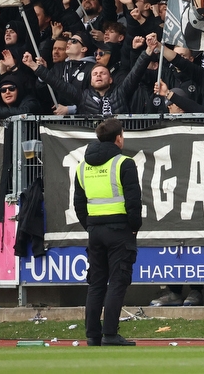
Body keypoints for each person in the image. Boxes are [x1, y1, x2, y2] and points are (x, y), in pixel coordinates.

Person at [74, 118, 141, 347]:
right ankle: (110, 334)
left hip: (95, 231)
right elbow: (134, 201)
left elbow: (79, 204)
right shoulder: (124, 163)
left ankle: (93, 335)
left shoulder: (82, 166)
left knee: (96, 283)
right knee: (118, 281)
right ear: (118, 138)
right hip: (120, 229)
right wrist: (134, 227)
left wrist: (90, 226)